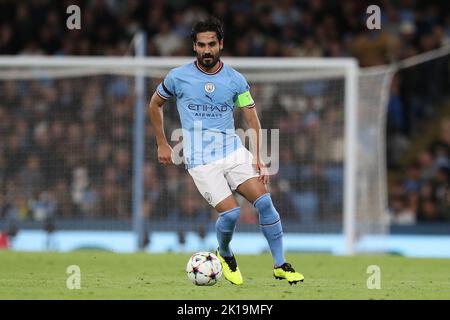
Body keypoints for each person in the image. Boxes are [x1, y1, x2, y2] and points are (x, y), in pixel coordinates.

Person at [148, 17, 304, 285]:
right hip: (200, 160)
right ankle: (225, 253)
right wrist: (162, 142)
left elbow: (251, 117)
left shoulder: (235, 80)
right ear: (194, 46)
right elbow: (155, 104)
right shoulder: (178, 77)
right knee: (231, 213)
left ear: (220, 44)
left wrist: (258, 157)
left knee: (265, 203)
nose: (206, 50)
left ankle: (280, 265)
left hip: (233, 152)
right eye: (201, 45)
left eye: (211, 44)